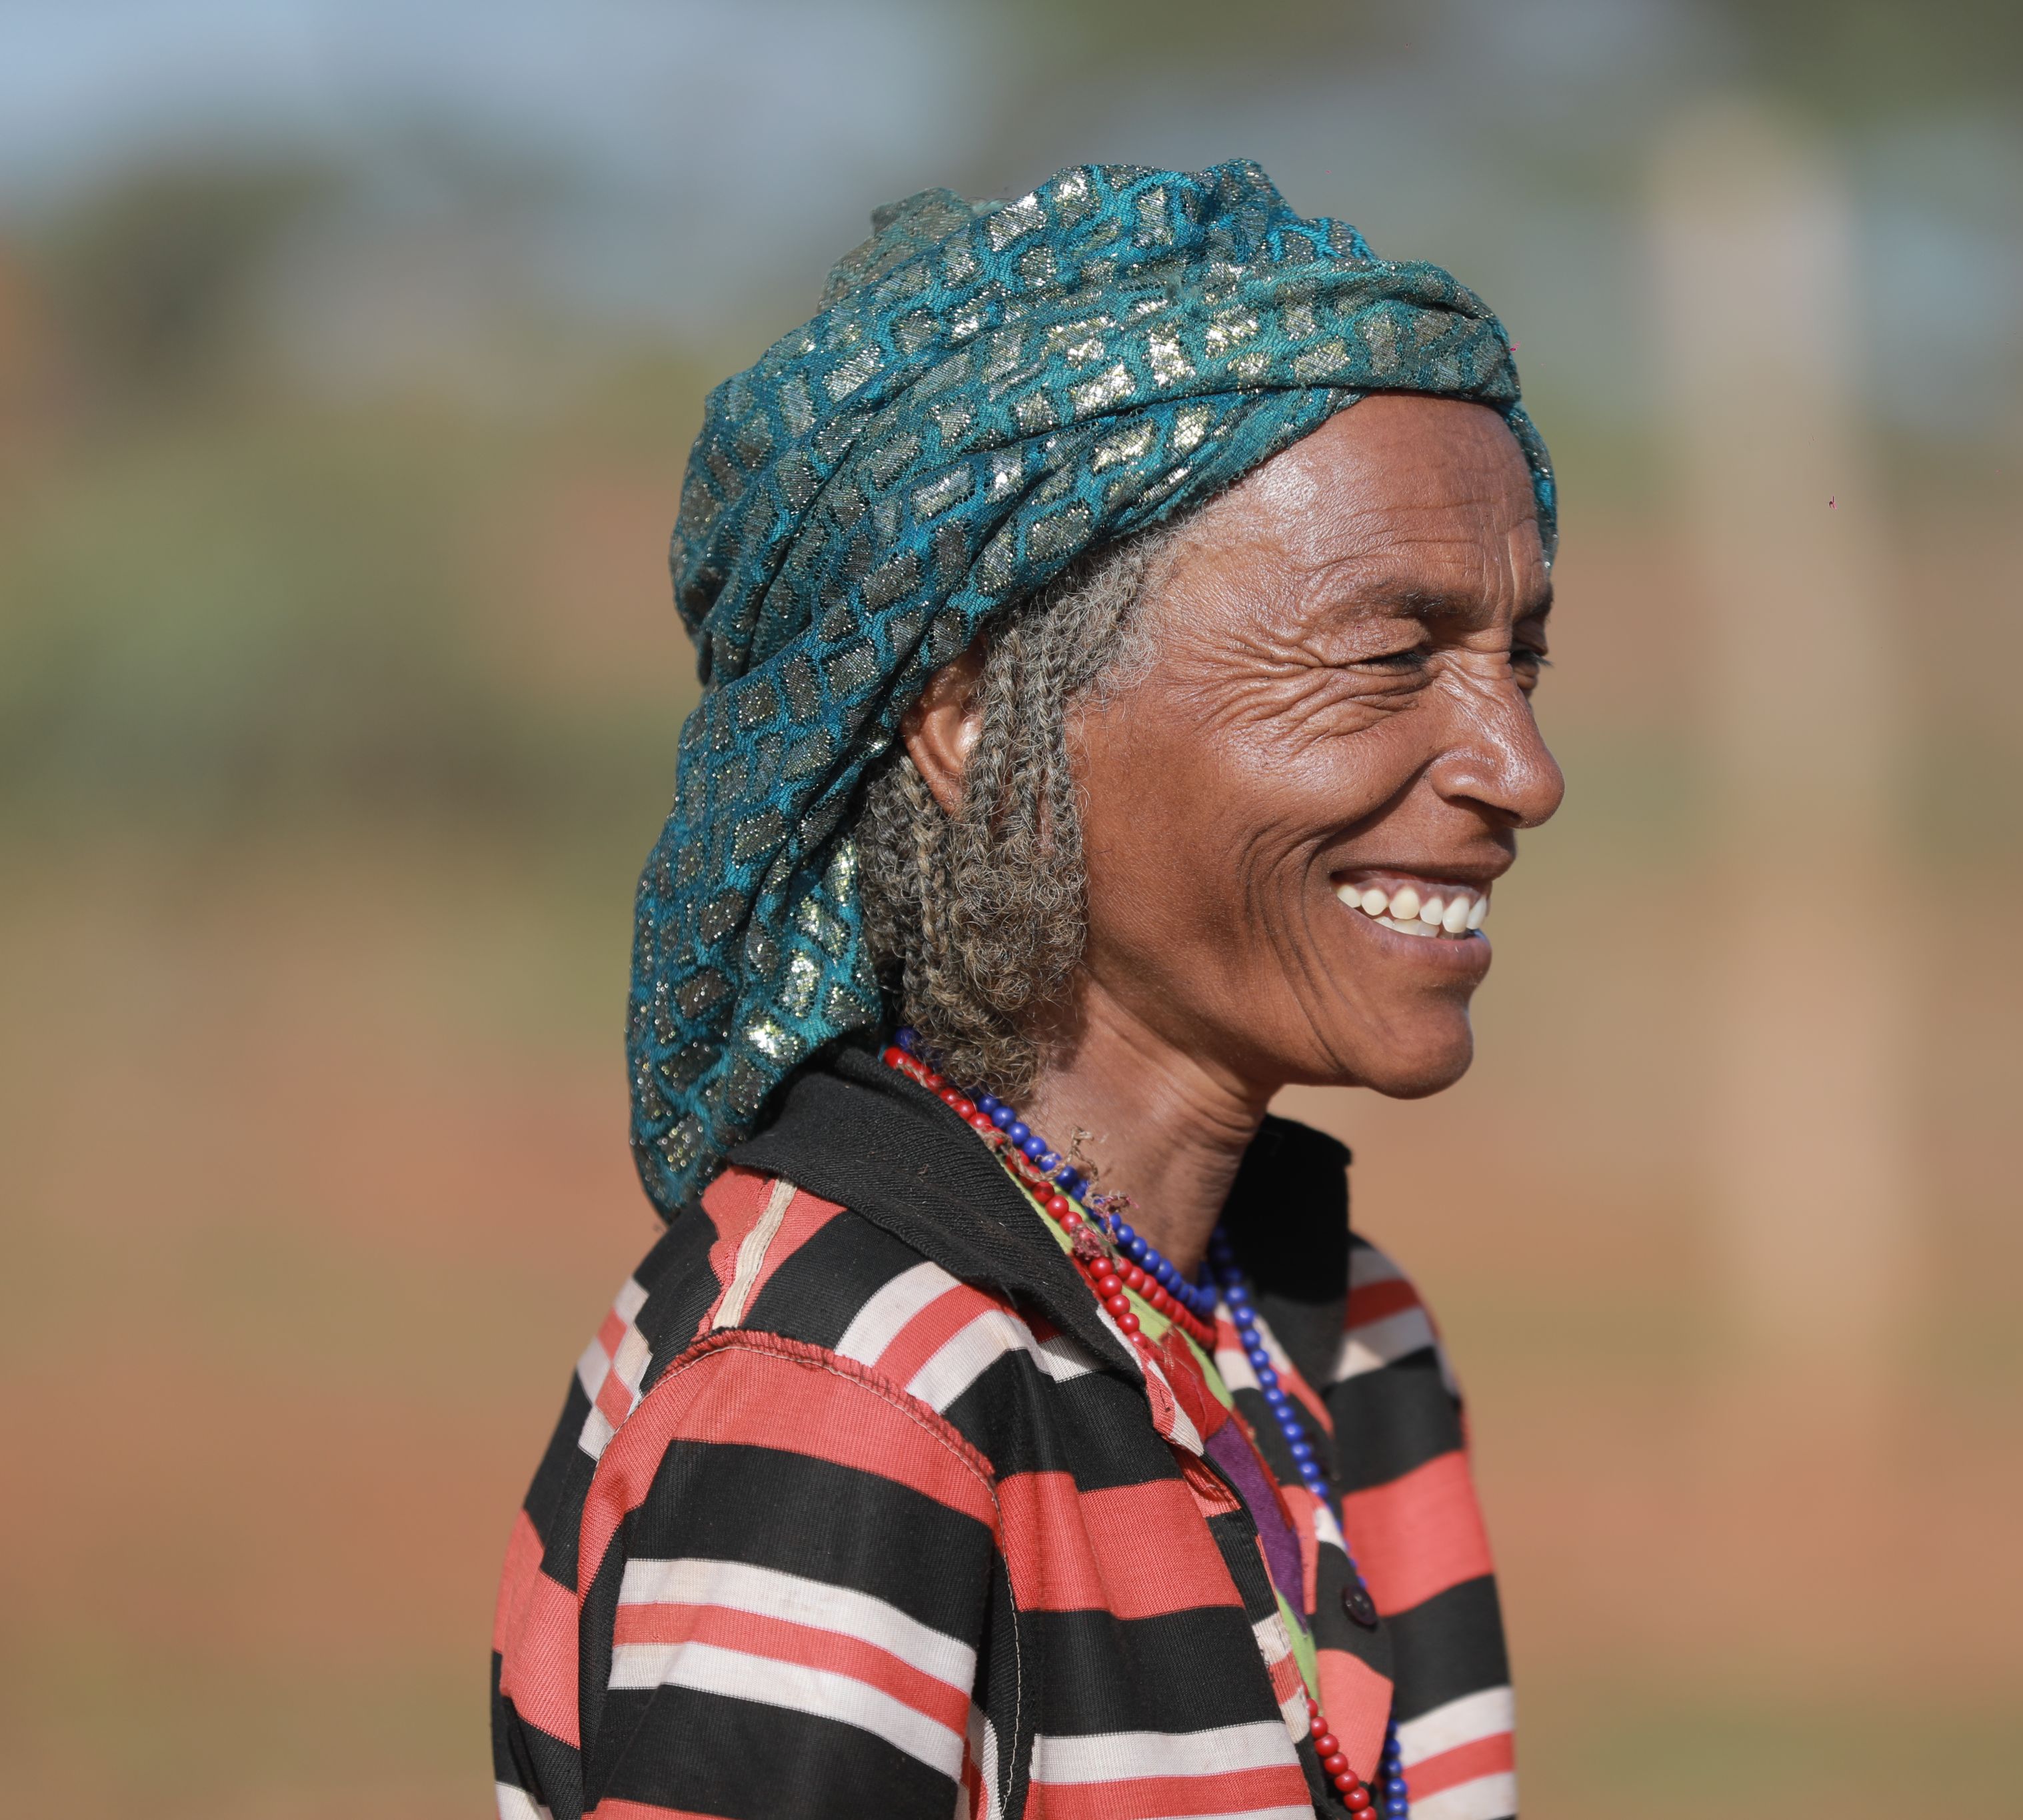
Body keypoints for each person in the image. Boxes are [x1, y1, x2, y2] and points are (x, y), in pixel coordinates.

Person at [489, 162, 1556, 1820]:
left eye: (1519, 658)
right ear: (976, 713)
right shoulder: (854, 1389)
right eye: (1388, 654)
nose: (1520, 767)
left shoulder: (1338, 1335)